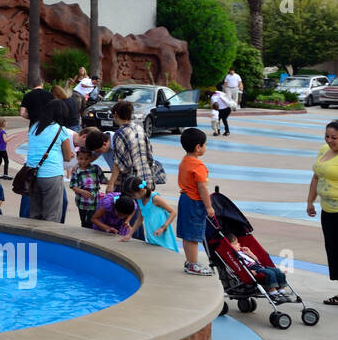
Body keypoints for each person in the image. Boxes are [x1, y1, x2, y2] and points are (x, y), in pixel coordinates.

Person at [21, 88, 73, 222]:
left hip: (33, 174)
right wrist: (71, 154)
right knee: (52, 215)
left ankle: (33, 239)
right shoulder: (60, 129)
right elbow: (67, 157)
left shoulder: (34, 127)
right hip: (52, 175)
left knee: (35, 213)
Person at [305, 120, 338, 304]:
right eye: (327, 136)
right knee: (334, 251)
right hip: (328, 210)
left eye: (334, 138)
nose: (330, 141)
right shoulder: (323, 150)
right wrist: (310, 201)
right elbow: (316, 177)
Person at [177, 127, 217, 275]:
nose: (206, 147)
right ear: (198, 147)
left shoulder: (184, 161)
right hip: (195, 202)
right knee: (193, 235)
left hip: (185, 199)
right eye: (205, 145)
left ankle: (189, 261)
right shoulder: (199, 166)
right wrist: (209, 207)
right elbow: (202, 188)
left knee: (187, 234)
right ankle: (193, 264)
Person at [107, 100, 158, 194]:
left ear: (115, 114)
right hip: (146, 177)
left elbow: (118, 163)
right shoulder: (139, 129)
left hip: (130, 182)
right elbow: (149, 153)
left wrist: (111, 184)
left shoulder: (119, 134)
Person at [225, 233, 291, 302]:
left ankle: (281, 290)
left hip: (259, 266)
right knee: (270, 273)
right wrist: (249, 272)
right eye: (236, 243)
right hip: (253, 269)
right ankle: (273, 292)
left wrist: (249, 253)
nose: (239, 244)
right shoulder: (233, 256)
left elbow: (256, 260)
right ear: (230, 246)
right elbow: (238, 267)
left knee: (279, 271)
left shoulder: (242, 252)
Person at [120, 175, 177, 252]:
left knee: (166, 251)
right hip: (152, 234)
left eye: (133, 195)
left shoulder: (155, 199)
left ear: (142, 190)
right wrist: (130, 234)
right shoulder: (140, 200)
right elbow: (139, 219)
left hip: (162, 233)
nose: (132, 197)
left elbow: (173, 212)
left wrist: (163, 228)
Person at [69, 146, 107, 229]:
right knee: (84, 221)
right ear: (77, 158)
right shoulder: (77, 171)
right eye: (81, 158)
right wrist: (83, 192)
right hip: (82, 202)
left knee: (92, 220)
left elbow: (103, 180)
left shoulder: (96, 168)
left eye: (86, 159)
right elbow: (72, 186)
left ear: (91, 158)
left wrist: (114, 181)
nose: (83, 161)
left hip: (95, 201)